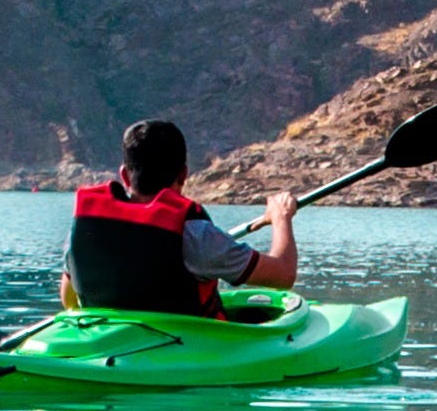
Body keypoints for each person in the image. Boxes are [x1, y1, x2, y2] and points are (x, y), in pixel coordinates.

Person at [61, 120, 297, 317]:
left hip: (108, 350)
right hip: (182, 353)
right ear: (184, 174)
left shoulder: (85, 225)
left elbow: (69, 299)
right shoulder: (196, 235)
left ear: (124, 174)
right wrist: (281, 218)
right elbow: (283, 274)